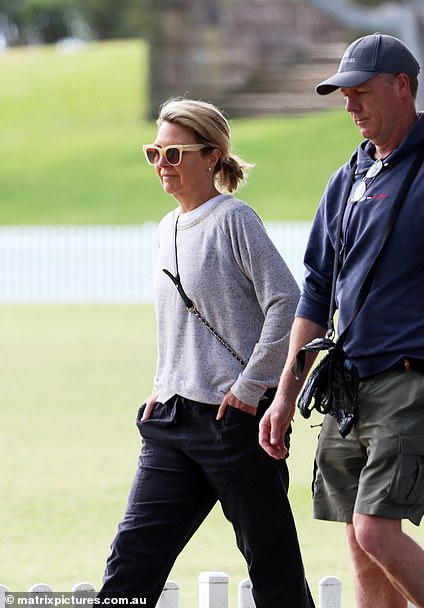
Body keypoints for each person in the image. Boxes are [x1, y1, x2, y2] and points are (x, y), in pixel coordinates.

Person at [259, 33, 424, 608]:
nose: (350, 106)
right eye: (345, 95)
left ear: (403, 86)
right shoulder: (345, 180)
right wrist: (284, 395)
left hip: (414, 376)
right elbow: (315, 293)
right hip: (347, 382)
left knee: (375, 530)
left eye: (362, 92)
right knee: (359, 544)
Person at [99, 98, 314, 608]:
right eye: (154, 153)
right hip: (172, 422)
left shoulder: (234, 218)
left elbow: (288, 303)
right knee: (132, 559)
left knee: (272, 563)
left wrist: (249, 387)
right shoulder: (166, 228)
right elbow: (177, 323)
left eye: (175, 154)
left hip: (233, 421)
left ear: (212, 156)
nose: (161, 166)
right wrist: (162, 382)